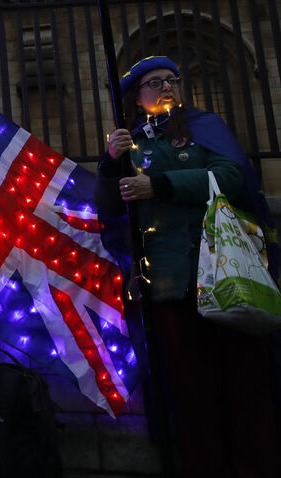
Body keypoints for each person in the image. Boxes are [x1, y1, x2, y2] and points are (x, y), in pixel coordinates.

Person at [98, 55, 280, 478]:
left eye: (172, 80)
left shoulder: (203, 128)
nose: (166, 88)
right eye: (155, 83)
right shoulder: (131, 144)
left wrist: (159, 185)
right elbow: (109, 208)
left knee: (245, 388)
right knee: (193, 398)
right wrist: (110, 162)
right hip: (168, 285)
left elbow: (230, 176)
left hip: (223, 276)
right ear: (136, 98)